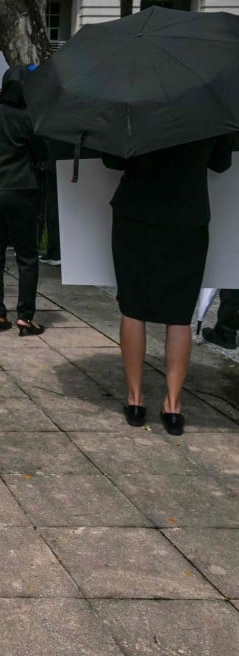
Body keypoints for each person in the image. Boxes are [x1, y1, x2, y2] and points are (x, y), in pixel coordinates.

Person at [102, 135, 233, 435]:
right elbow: (221, 163)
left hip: (135, 214)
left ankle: (135, 401)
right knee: (179, 314)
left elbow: (111, 158)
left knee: (133, 307)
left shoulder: (137, 102)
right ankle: (173, 405)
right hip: (188, 217)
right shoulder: (208, 110)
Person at [0, 79, 48, 336]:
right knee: (26, 255)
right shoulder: (28, 118)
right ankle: (25, 316)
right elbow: (41, 152)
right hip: (19, 188)